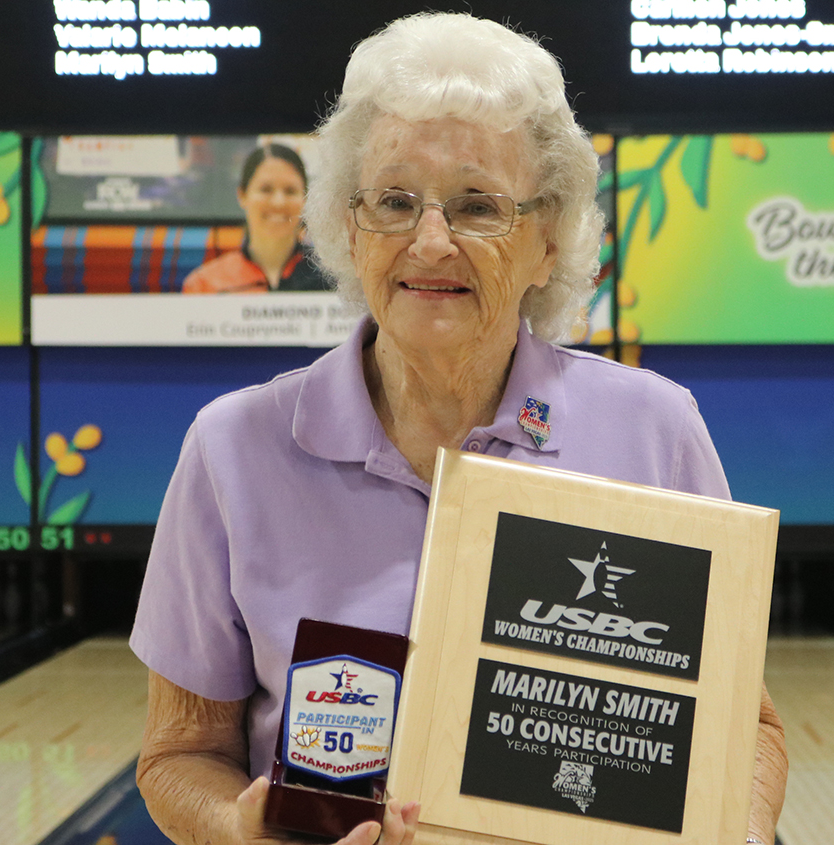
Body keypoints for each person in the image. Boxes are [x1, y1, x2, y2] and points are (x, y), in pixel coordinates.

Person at [132, 13, 786, 845]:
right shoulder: (231, 449)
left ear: (548, 241)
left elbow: (747, 730)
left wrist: (743, 829)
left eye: (478, 206)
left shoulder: (656, 429)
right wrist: (236, 828)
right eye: (396, 201)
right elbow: (179, 752)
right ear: (349, 226)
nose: (431, 241)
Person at [181, 143, 331, 293]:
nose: (278, 202)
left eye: (290, 191)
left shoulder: (332, 281)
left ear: (305, 199)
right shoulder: (204, 285)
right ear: (242, 195)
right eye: (266, 189)